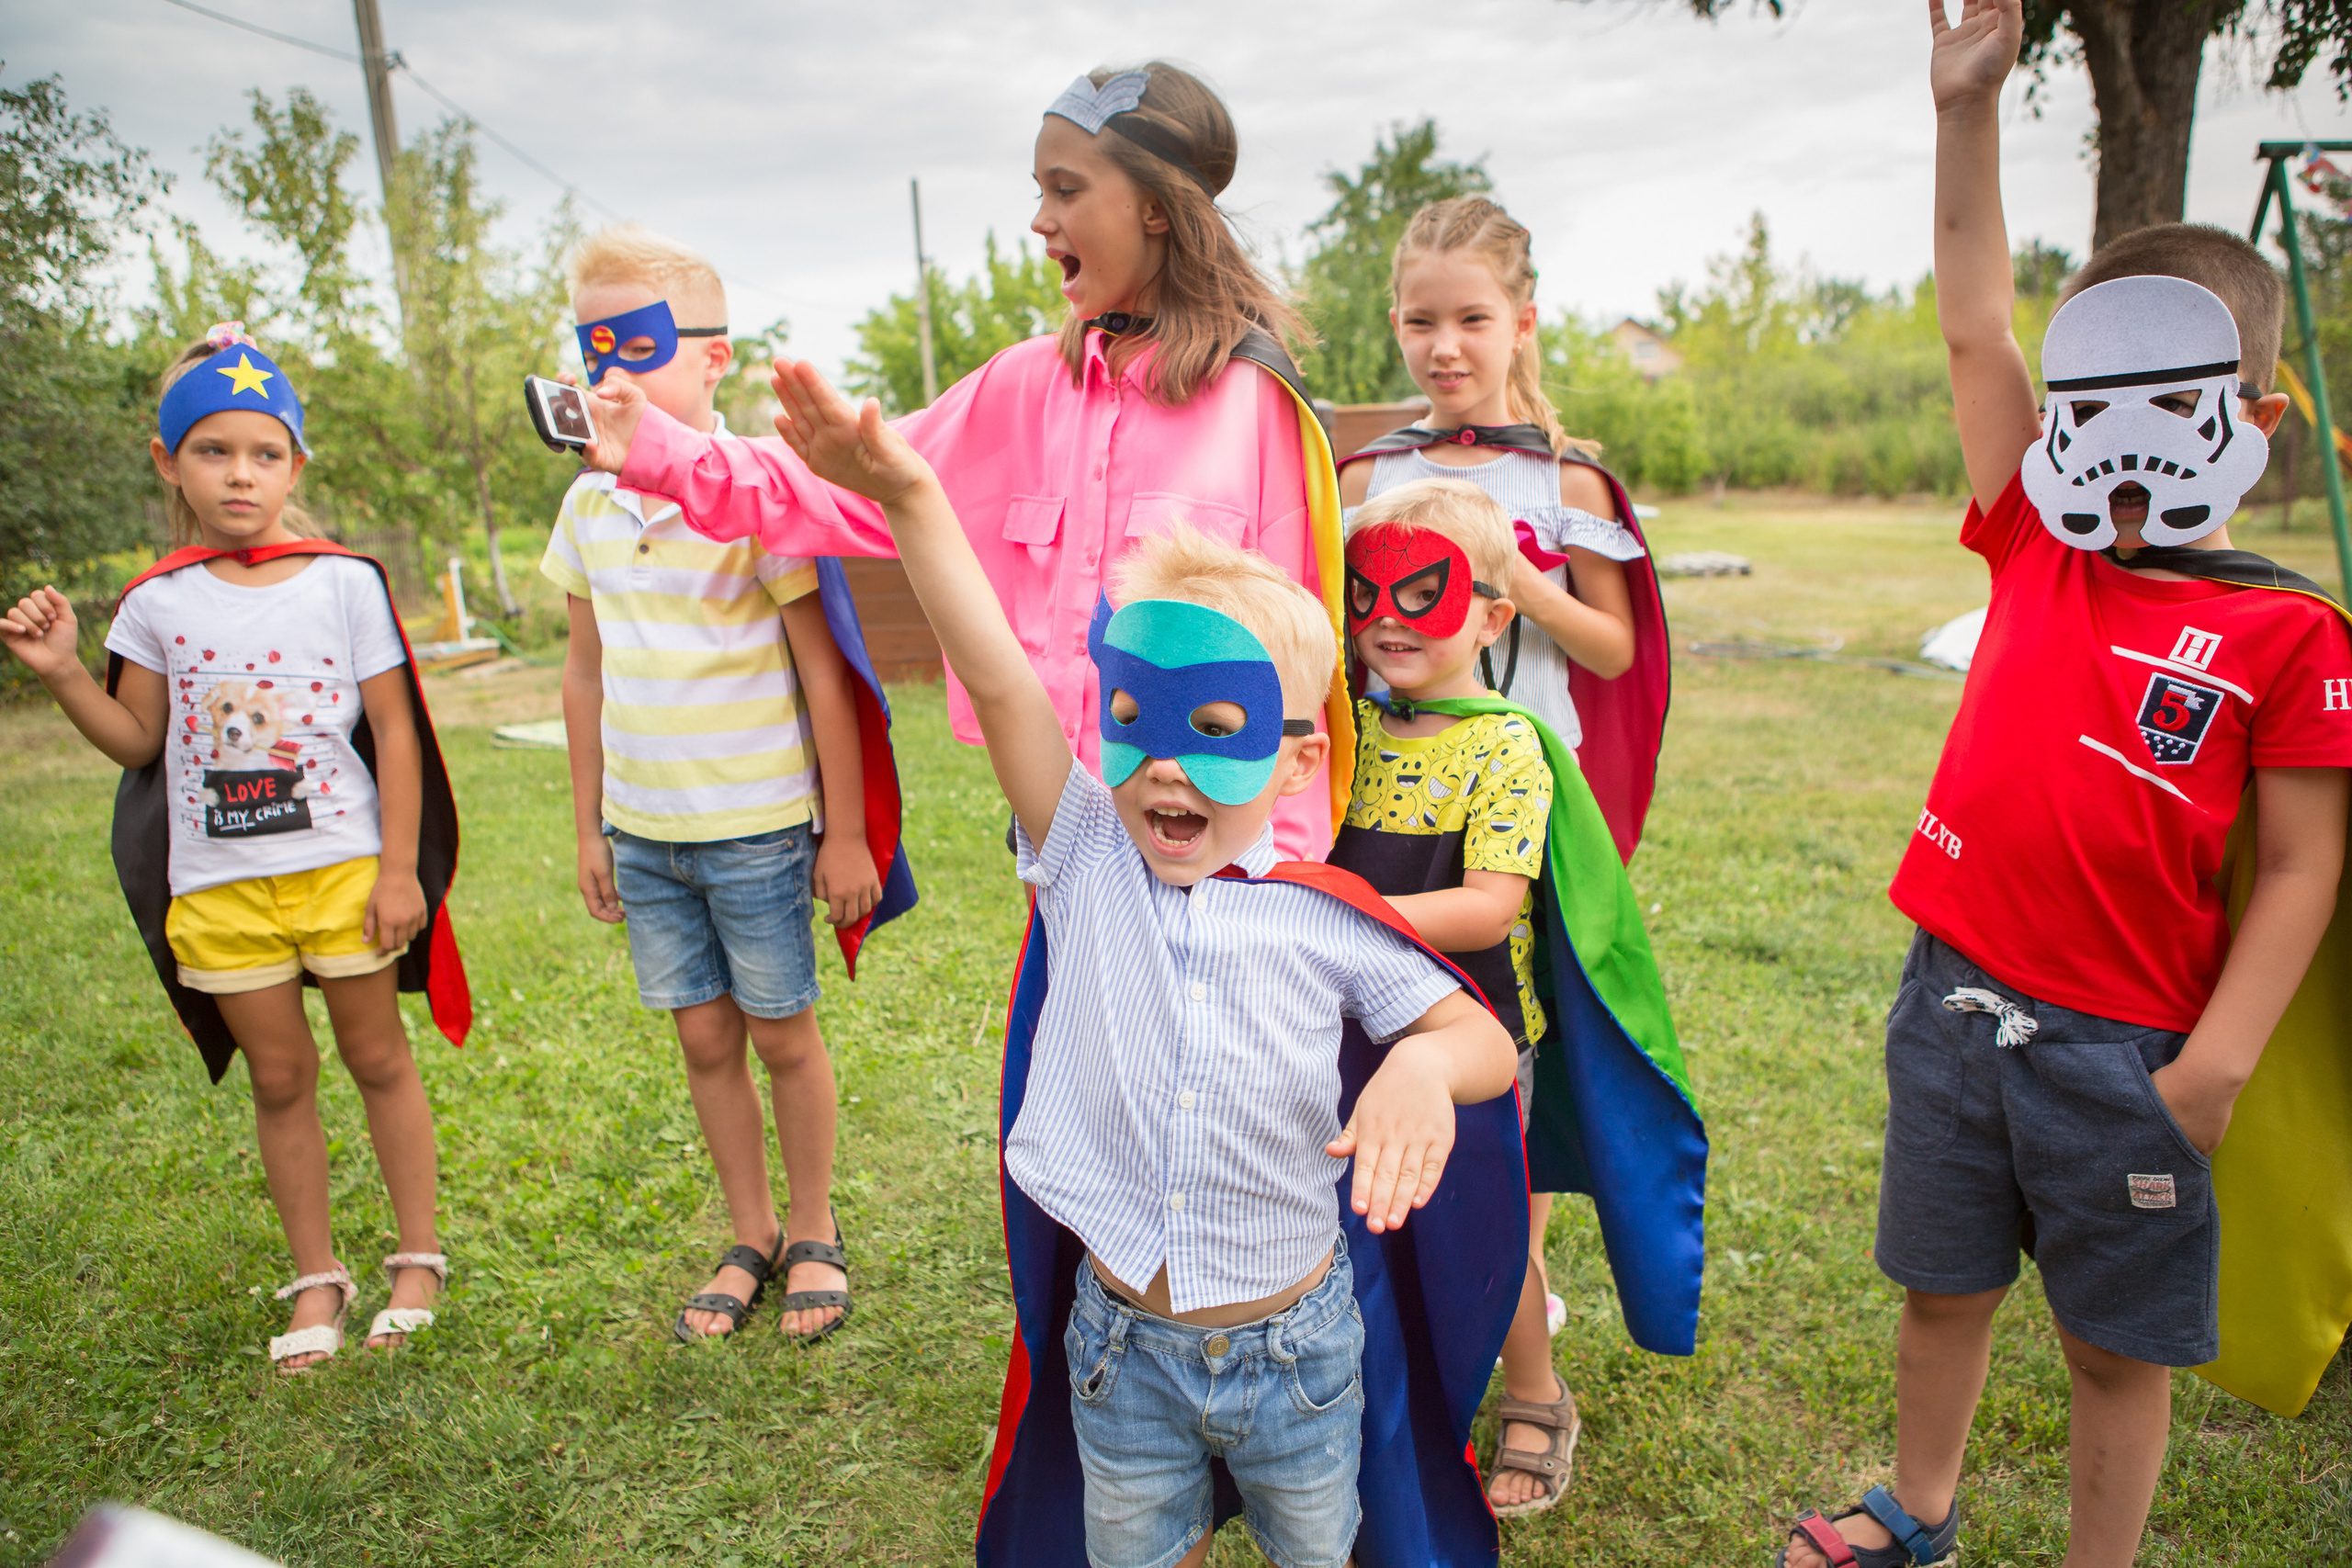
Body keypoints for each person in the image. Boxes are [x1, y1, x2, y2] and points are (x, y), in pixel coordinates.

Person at [762, 356, 1526, 1567]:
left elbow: (1476, 1033)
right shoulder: (1085, 855)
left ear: (1297, 757)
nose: (1166, 764)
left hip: (1299, 1350)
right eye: (1134, 720)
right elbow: (1000, 675)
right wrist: (909, 498)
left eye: (1215, 730)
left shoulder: (1323, 915)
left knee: (1318, 1547)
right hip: (1122, 1348)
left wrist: (1425, 1070)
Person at [1779, 5, 2352, 1564]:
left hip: (2129, 1054)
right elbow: (1979, 328)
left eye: (2170, 401)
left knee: (2113, 1346)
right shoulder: (2037, 538)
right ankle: (1919, 1510)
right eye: (2092, 406)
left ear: (2253, 420)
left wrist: (2210, 1069)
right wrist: (1966, 107)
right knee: (1943, 1288)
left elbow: (2304, 865)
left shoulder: (2287, 632)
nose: (2120, 444)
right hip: (1954, 1002)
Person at [573, 62, 1354, 860]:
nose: (1041, 220)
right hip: (1057, 843)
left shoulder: (1257, 404)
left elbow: (1299, 664)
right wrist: (656, 448)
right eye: (1039, 192)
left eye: (1067, 190)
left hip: (1210, 855)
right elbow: (840, 485)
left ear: (1155, 205)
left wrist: (1286, 878)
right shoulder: (1020, 389)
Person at [0, 326, 471, 1372]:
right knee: (280, 1076)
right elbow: (139, 742)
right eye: (213, 451)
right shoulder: (156, 602)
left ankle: (418, 1258)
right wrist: (64, 671)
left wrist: (400, 869)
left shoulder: (343, 583)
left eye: (265, 453)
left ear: (296, 464)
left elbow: (396, 730)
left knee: (378, 1058)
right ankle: (316, 1280)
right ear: (168, 462)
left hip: (345, 871)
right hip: (220, 888)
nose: (241, 474)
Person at [549, 224, 916, 1344]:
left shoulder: (758, 497)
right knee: (703, 1041)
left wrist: (842, 834)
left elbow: (823, 671)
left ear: (712, 358)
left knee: (780, 1033)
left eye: (639, 346)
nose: (611, 374)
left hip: (756, 825)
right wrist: (591, 829)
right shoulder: (586, 508)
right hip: (646, 832)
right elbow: (582, 671)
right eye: (592, 348)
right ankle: (750, 1230)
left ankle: (813, 1227)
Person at [1331, 477, 1703, 1519]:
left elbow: (1489, 908)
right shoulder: (1341, 728)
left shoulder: (1508, 745)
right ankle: (1376, 1396)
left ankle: (1535, 1393)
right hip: (1351, 1028)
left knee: (1487, 1232)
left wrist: (1338, 908)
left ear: (1494, 619)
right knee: (1366, 1217)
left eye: (1425, 595)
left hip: (1477, 1038)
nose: (1390, 620)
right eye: (1366, 593)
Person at [1336, 196, 1670, 862]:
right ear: (1396, 322)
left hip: (1530, 786)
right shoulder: (1366, 479)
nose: (1445, 347)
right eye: (1422, 321)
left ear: (1522, 324)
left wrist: (1516, 580)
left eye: (1473, 319)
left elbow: (1615, 652)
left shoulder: (1566, 483)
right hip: (1390, 784)